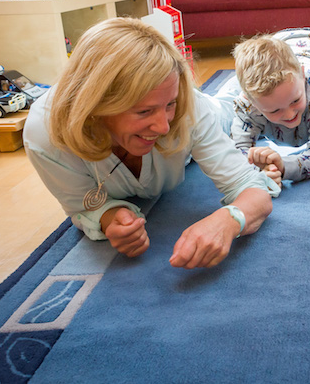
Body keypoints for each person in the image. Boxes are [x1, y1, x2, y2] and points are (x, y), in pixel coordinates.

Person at [24, 18, 279, 269]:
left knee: (241, 104)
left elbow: (253, 190)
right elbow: (81, 206)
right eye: (144, 111)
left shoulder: (191, 109)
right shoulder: (45, 135)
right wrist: (109, 217)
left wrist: (229, 221)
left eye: (170, 104)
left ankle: (272, 54)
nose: (164, 127)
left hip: (215, 111)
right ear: (96, 105)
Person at [217, 28, 310, 184]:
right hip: (285, 40)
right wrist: (262, 172)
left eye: (295, 101)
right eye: (275, 110)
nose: (290, 115)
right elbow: (237, 153)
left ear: (302, 76)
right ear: (252, 102)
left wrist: (283, 167)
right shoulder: (247, 105)